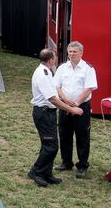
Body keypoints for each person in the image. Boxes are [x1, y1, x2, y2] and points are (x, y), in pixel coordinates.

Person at [29, 48, 83, 187]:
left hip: (48, 113)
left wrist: (67, 103)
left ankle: (46, 173)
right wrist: (71, 109)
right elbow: (52, 99)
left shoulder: (46, 71)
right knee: (51, 147)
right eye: (55, 57)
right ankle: (36, 172)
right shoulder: (42, 74)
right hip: (44, 114)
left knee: (49, 145)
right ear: (51, 60)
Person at [54, 41, 98, 178]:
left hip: (81, 106)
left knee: (82, 136)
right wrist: (65, 100)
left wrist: (76, 104)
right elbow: (57, 86)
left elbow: (89, 88)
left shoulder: (88, 69)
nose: (72, 54)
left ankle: (82, 165)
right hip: (64, 106)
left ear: (81, 53)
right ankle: (66, 162)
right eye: (70, 51)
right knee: (64, 134)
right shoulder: (62, 67)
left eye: (75, 51)